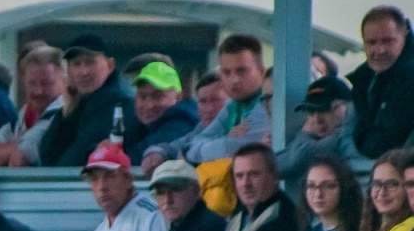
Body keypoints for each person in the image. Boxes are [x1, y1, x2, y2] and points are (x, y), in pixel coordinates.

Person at [141, 34, 269, 173]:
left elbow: (231, 147)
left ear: (261, 71)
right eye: (227, 72)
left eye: (241, 71)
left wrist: (193, 153)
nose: (234, 80)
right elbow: (194, 141)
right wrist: (160, 151)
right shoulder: (232, 106)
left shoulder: (268, 103)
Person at [39, 34, 132, 168]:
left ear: (110, 65)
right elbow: (47, 155)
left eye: (90, 62)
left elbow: (71, 162)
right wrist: (67, 112)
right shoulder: (83, 102)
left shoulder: (118, 103)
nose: (83, 71)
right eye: (76, 64)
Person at [0, 46, 65, 168]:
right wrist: (19, 146)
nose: (38, 91)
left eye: (46, 83)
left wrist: (12, 145)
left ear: (65, 81)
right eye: (32, 83)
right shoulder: (24, 115)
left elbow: (20, 159)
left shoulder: (65, 115)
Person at [350, 5, 414, 159]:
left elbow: (391, 138)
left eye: (388, 41)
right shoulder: (363, 80)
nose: (380, 50)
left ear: (404, 36)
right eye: (371, 43)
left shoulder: (409, 77)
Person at [276, 76, 364, 180]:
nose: (318, 119)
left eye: (324, 109)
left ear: (343, 108)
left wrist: (304, 133)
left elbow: (295, 160)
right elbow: (274, 167)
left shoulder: (347, 135)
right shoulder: (310, 140)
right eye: (311, 111)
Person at [124, 61, 197, 165]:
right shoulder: (139, 124)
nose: (148, 105)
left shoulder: (183, 122)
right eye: (142, 96)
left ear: (178, 97)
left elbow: (138, 157)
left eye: (158, 96)